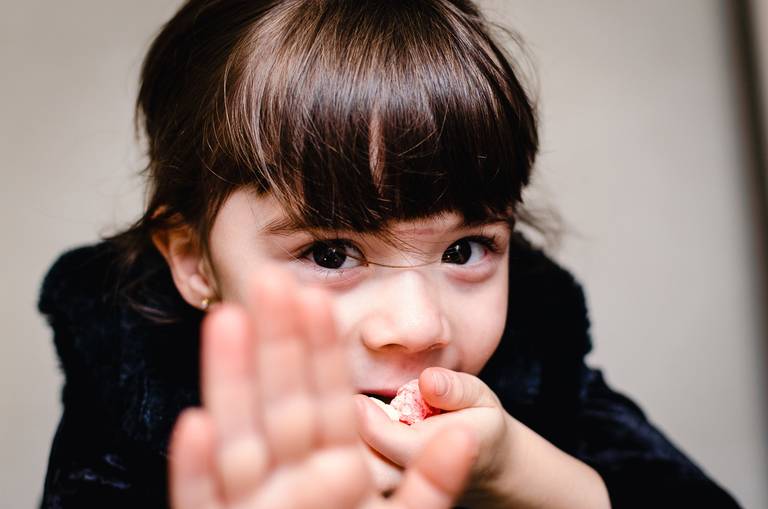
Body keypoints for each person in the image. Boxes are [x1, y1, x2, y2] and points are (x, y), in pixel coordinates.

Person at [37, 0, 743, 507]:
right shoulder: (132, 397)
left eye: (466, 249)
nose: (418, 324)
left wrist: (535, 480)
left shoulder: (538, 367)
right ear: (195, 263)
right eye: (331, 253)